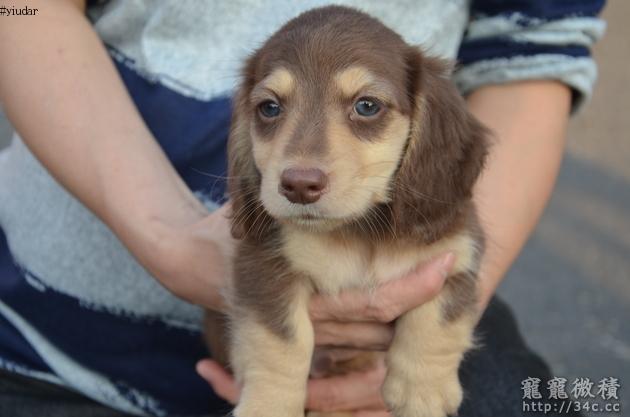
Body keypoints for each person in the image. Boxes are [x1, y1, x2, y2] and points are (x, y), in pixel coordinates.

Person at [0, 0, 606, 416]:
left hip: (406, 332)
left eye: (366, 108)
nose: (302, 168)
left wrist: (424, 339)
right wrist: (165, 236)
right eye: (270, 109)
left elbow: (534, 55)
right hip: (52, 351)